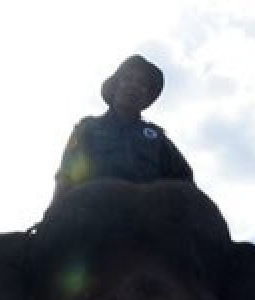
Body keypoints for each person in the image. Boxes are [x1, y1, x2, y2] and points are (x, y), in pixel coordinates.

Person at [51, 55, 194, 204]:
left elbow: (185, 183)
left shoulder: (157, 139)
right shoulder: (88, 128)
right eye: (127, 78)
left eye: (142, 83)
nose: (133, 85)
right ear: (115, 87)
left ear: (147, 96)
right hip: (91, 217)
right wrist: (52, 216)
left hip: (144, 221)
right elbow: (66, 177)